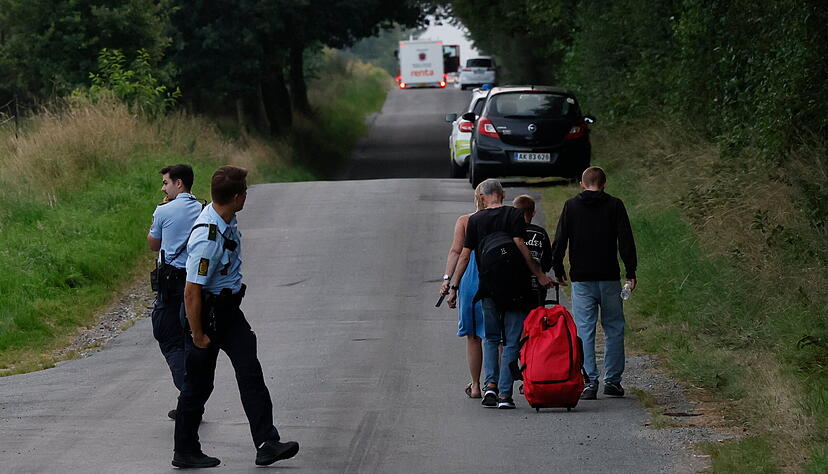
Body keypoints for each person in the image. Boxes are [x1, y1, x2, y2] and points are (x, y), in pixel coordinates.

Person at [172, 166, 299, 468]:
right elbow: (191, 291)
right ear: (237, 197)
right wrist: (198, 334)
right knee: (198, 385)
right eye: (244, 191)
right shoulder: (208, 237)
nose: (246, 196)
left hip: (228, 312)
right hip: (205, 316)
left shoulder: (226, 218)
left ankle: (267, 443)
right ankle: (185, 450)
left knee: (250, 372)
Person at [447, 179, 554, 410]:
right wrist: (539, 274)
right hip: (516, 287)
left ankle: (490, 386)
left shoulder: (475, 220)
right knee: (512, 341)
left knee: (491, 338)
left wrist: (453, 286)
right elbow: (521, 245)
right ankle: (505, 395)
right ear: (503, 194)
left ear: (482, 197)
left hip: (488, 288)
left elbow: (464, 256)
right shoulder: (514, 215)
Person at [551, 166, 637, 400]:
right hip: (609, 276)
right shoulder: (615, 205)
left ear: (582, 183)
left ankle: (590, 380)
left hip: (582, 278)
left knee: (585, 330)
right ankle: (613, 381)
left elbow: (561, 238)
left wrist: (558, 267)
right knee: (614, 327)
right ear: (604, 183)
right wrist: (631, 271)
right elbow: (625, 240)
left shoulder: (571, 206)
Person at [147, 164, 203, 419]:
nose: (163, 188)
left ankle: (190, 400)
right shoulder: (201, 208)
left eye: (166, 183)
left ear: (178, 183)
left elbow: (153, 244)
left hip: (171, 284)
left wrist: (162, 211)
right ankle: (190, 399)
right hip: (194, 282)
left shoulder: (164, 210)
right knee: (188, 337)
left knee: (168, 336)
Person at [440, 182, 486, 399]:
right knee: (498, 336)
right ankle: (497, 384)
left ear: (477, 197)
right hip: (497, 279)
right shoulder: (504, 218)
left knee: (473, 336)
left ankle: (476, 385)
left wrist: (447, 280)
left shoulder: (465, 221)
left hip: (470, 281)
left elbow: (456, 252)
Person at [512, 194, 553, 307]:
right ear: (533, 213)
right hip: (537, 286)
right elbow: (548, 260)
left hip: (516, 285)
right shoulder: (540, 233)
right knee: (536, 315)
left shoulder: (511, 233)